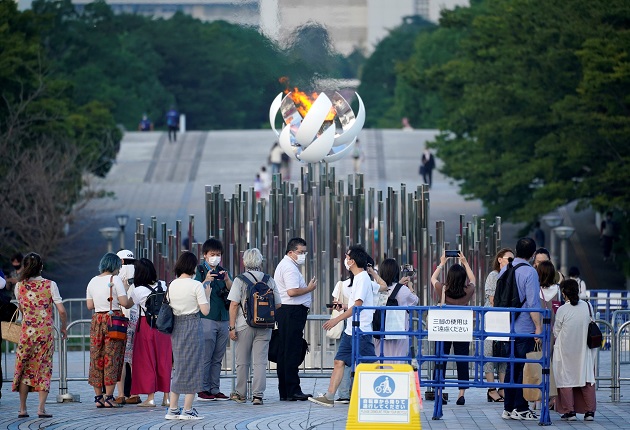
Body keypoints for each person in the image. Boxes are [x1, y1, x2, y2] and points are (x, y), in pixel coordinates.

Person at [309, 245, 376, 407]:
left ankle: (375, 396)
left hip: (361, 331)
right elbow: (356, 305)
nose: (345, 260)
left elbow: (358, 306)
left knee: (369, 366)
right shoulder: (358, 279)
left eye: (347, 257)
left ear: (352, 261)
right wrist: (344, 308)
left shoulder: (363, 279)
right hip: (350, 331)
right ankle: (329, 396)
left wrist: (336, 320)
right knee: (339, 361)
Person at [12, 252, 67, 418]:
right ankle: (41, 409)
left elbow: (22, 308)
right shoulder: (50, 285)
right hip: (44, 333)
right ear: (41, 266)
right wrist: (63, 327)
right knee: (44, 368)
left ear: (25, 266)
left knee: (24, 368)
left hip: (26, 333)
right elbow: (62, 311)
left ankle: (22, 409)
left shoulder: (19, 286)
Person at [227, 248, 281, 405]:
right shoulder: (268, 279)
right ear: (260, 261)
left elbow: (234, 304)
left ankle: (241, 394)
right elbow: (278, 304)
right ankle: (258, 395)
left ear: (244, 262)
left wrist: (232, 327)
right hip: (265, 326)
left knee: (242, 361)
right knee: (260, 362)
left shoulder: (240, 280)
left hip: (244, 325)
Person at [499, 237, 542, 421]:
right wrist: (539, 326)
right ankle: (521, 407)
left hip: (507, 326)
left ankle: (508, 407)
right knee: (522, 368)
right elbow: (532, 303)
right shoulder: (530, 272)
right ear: (533, 255)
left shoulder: (504, 269)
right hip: (524, 327)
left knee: (511, 366)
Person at [164, 252, 210, 420]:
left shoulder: (172, 284)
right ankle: (188, 410)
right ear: (193, 267)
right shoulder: (196, 285)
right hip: (192, 324)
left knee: (179, 367)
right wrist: (208, 295)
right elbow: (205, 311)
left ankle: (173, 409)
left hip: (177, 326)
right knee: (194, 367)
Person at [274, 237, 317, 401]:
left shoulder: (286, 265)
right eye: (300, 252)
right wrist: (309, 288)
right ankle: (292, 390)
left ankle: (285, 390)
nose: (303, 255)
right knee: (291, 351)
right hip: (291, 312)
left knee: (285, 351)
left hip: (288, 311)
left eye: (304, 252)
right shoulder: (289, 268)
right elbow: (292, 292)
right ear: (291, 252)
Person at [86, 253, 131, 408]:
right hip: (113, 321)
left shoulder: (92, 281)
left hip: (97, 320)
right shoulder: (115, 280)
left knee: (96, 358)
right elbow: (124, 302)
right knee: (112, 358)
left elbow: (89, 306)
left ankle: (98, 398)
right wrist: (130, 296)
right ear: (115, 266)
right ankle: (109, 397)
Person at [431, 251, 476, 406]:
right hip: (461, 328)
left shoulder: (442, 289)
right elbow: (473, 280)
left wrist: (442, 263)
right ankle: (461, 394)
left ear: (449, 277)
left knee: (441, 359)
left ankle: (439, 392)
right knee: (461, 359)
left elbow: (433, 278)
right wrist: (465, 262)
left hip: (443, 328)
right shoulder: (467, 291)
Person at [193, 238, 232, 401]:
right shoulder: (200, 271)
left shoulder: (223, 271)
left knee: (218, 357)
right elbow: (194, 290)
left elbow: (233, 292)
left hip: (223, 318)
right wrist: (206, 280)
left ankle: (215, 388)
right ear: (205, 255)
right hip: (206, 317)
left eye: (218, 255)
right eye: (212, 254)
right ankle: (202, 388)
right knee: (205, 356)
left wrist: (227, 280)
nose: (215, 257)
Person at [129, 258, 171, 408]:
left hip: (146, 327)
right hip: (164, 328)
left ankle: (150, 398)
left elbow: (127, 304)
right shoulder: (163, 284)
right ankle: (166, 397)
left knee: (147, 361)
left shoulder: (138, 290)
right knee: (164, 361)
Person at [553, 279, 597, 421]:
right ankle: (589, 411)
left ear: (564, 293)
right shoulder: (588, 306)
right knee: (586, 379)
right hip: (584, 349)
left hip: (566, 351)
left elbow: (556, 331)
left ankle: (569, 411)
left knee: (566, 380)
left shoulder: (562, 310)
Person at [373, 258, 418, 363]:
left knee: (381, 359)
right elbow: (415, 301)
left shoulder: (376, 289)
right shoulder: (403, 290)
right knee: (398, 360)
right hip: (399, 331)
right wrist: (410, 287)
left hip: (380, 330)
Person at [483, 248, 513, 402]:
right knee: (489, 352)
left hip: (504, 319)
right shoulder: (494, 275)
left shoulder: (510, 276)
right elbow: (492, 298)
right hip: (492, 318)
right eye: (508, 258)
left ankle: (502, 387)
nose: (511, 262)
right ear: (500, 259)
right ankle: (491, 388)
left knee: (503, 353)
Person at [115, 250, 141, 405]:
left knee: (121, 358)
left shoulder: (118, 275)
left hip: (121, 318)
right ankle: (135, 392)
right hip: (136, 318)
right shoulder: (138, 272)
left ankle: (120, 394)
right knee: (133, 359)